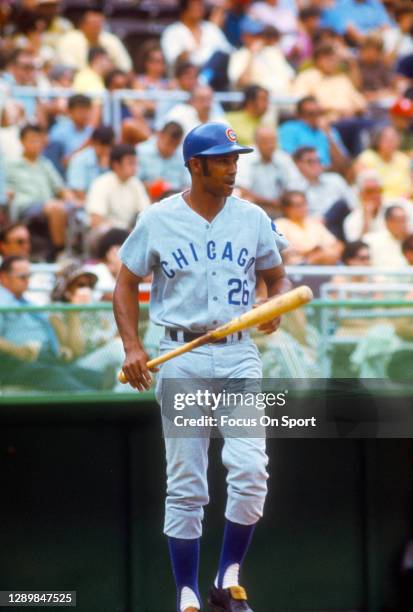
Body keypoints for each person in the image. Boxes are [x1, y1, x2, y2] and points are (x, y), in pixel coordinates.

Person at [113, 122, 291, 612]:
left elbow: (277, 276)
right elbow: (125, 283)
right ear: (195, 165)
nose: (233, 166)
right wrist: (131, 346)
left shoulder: (253, 217)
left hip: (237, 353)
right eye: (222, 159)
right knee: (188, 482)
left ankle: (227, 577)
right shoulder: (159, 217)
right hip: (182, 354)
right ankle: (187, 593)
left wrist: (273, 304)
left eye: (235, 158)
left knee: (252, 470)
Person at [0, 256, 113, 392]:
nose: (28, 281)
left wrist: (58, 348)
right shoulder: (3, 302)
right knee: (55, 375)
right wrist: (17, 350)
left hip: (46, 357)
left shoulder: (28, 303)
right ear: (4, 277)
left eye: (29, 276)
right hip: (14, 361)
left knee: (93, 377)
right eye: (23, 277)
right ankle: (95, 404)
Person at [5, 123, 74, 255]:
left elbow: (60, 187)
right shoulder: (10, 164)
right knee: (56, 207)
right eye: (31, 140)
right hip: (24, 206)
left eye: (38, 140)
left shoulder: (45, 163)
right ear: (22, 141)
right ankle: (60, 252)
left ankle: (64, 251)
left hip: (47, 205)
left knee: (67, 207)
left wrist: (69, 196)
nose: (35, 144)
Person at [86, 144, 150, 234]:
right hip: (103, 234)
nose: (135, 168)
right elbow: (96, 221)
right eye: (130, 163)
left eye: (135, 163)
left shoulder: (136, 183)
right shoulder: (101, 183)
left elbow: (146, 213)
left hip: (128, 233)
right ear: (116, 165)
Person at [236, 125, 298, 218]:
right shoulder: (245, 157)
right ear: (256, 142)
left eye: (273, 141)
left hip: (280, 207)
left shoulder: (283, 157)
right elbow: (243, 190)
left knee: (296, 201)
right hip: (255, 206)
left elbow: (295, 185)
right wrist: (271, 203)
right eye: (265, 142)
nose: (270, 145)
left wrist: (284, 201)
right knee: (246, 200)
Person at [278, 96, 349, 171]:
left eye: (319, 113)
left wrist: (329, 136)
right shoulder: (289, 129)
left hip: (329, 174)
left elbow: (343, 164)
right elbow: (287, 159)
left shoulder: (330, 131)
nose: (316, 117)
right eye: (311, 114)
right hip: (301, 175)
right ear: (299, 116)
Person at [276, 190, 343, 264]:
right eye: (298, 205)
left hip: (324, 261)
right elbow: (285, 252)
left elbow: (337, 244)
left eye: (304, 204)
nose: (303, 208)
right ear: (286, 208)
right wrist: (311, 251)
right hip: (297, 266)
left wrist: (325, 252)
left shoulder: (313, 223)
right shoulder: (280, 224)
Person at [56, 7, 132, 72]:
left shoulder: (111, 40)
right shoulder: (69, 39)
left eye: (99, 23)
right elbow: (68, 68)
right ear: (82, 24)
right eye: (93, 23)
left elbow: (126, 67)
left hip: (108, 82)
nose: (96, 26)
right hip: (78, 83)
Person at [355, 125, 413, 201]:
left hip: (406, 202)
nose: (391, 143)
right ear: (378, 140)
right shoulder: (366, 158)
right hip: (379, 203)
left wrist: (406, 196)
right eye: (387, 140)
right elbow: (366, 188)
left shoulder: (404, 159)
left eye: (394, 139)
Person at [66, 125, 115, 202]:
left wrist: (105, 167)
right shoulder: (79, 160)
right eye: (103, 145)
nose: (107, 150)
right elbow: (78, 191)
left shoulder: (114, 159)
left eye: (110, 146)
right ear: (94, 143)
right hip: (85, 205)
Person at [137, 122, 189, 192]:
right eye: (169, 143)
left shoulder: (182, 156)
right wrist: (152, 186)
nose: (171, 149)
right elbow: (134, 181)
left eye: (175, 146)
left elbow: (188, 185)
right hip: (147, 197)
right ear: (160, 135)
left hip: (175, 198)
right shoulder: (141, 152)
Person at [162, 85, 226, 136]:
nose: (206, 104)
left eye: (209, 99)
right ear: (192, 101)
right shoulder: (179, 113)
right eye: (201, 99)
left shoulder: (218, 119)